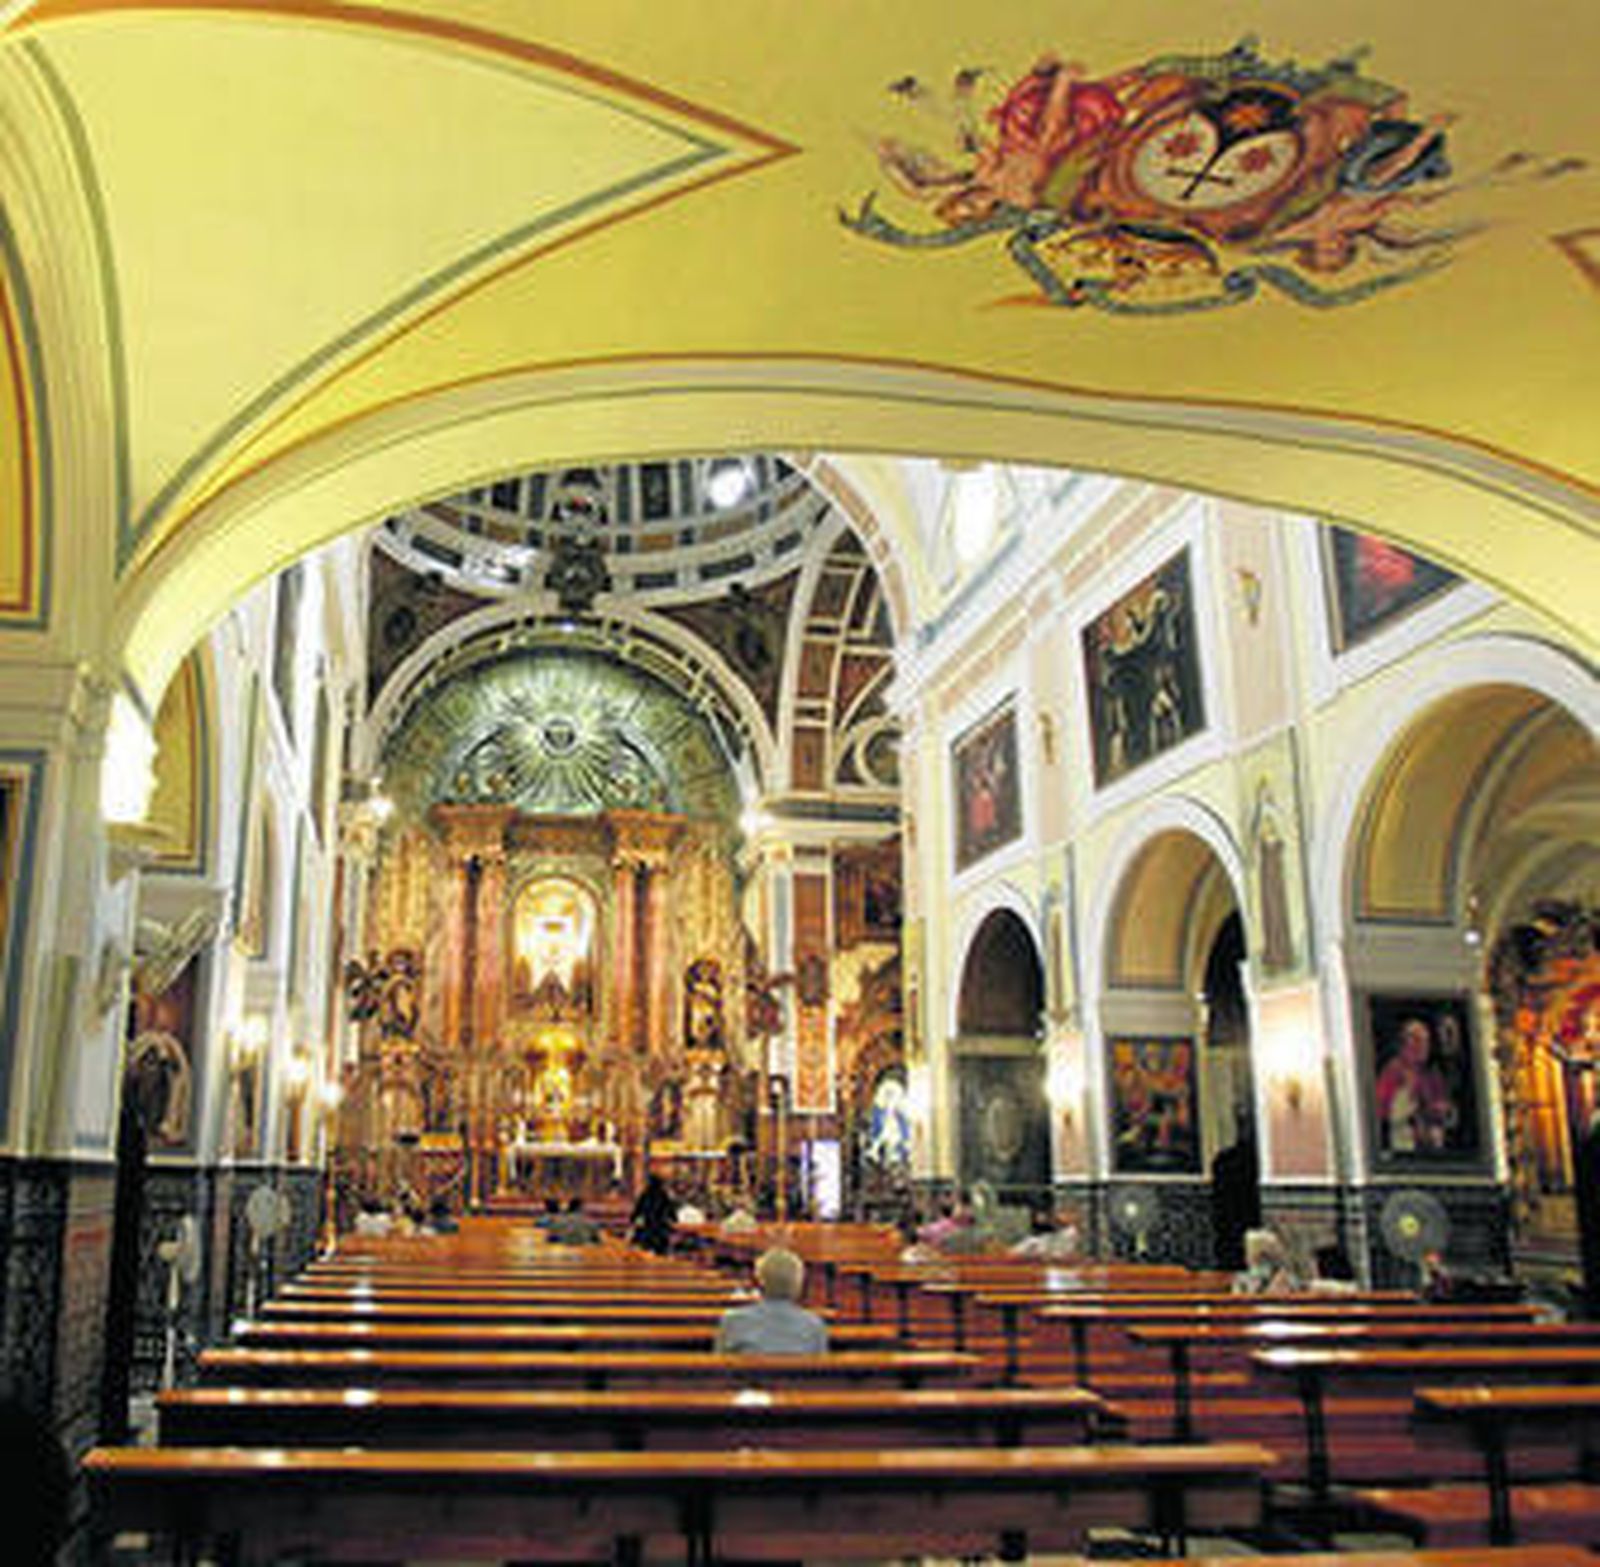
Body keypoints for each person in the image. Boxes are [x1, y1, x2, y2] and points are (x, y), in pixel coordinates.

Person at [714, 1246, 829, 1355]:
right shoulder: (814, 1326)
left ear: (758, 1282)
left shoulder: (733, 1321)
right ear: (798, 1284)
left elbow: (719, 1368)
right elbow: (820, 1372)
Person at [630, 1173, 677, 1254]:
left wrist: (633, 1218)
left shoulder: (646, 1194)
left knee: (644, 1248)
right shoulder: (663, 1195)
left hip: (649, 1227)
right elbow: (671, 1210)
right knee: (659, 1250)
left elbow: (638, 1209)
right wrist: (673, 1219)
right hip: (659, 1228)